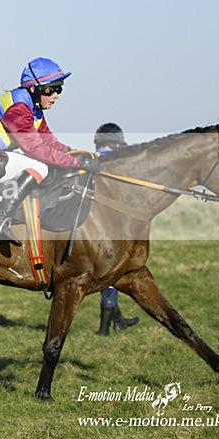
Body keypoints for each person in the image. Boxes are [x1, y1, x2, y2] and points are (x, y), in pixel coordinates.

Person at [0, 57, 99, 246]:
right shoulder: (18, 109)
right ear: (34, 88)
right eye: (51, 89)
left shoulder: (34, 109)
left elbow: (49, 142)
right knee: (39, 166)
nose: (56, 95)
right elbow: (35, 149)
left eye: (59, 88)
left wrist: (75, 154)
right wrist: (76, 164)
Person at [93, 122, 140, 335]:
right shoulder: (112, 162)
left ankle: (118, 320)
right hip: (107, 225)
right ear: (113, 143)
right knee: (111, 277)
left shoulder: (93, 158)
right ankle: (103, 330)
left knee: (112, 276)